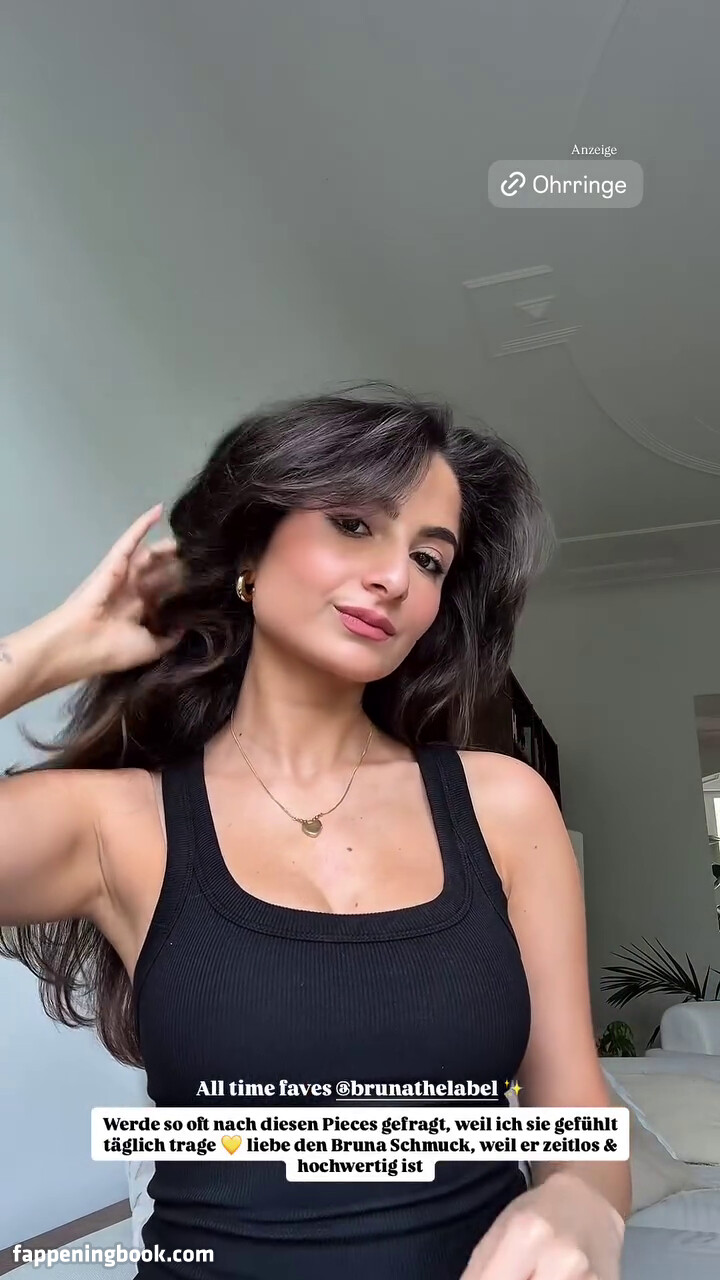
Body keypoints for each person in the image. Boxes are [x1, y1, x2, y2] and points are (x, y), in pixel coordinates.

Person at [0, 385, 629, 1279]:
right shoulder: (117, 822)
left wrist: (582, 1204)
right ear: (251, 551)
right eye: (354, 524)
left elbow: (576, 1121)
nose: (395, 577)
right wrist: (48, 653)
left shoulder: (504, 806)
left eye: (429, 558)